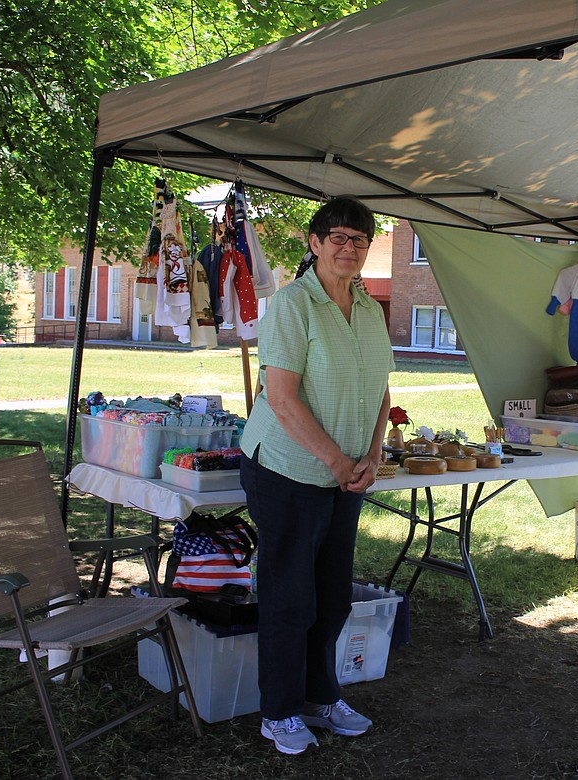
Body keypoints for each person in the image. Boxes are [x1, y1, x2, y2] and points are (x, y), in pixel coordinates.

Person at [238, 196, 394, 755]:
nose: (349, 248)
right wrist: (335, 460)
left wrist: (373, 457)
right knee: (289, 598)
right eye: (339, 238)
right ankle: (278, 712)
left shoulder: (370, 309)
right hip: (287, 469)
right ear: (315, 242)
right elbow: (280, 399)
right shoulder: (291, 306)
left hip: (346, 474)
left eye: (360, 239)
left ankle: (320, 697)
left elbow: (381, 391)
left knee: (333, 596)